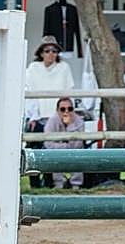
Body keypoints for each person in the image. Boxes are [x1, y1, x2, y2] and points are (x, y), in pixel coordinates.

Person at [24, 35, 77, 188]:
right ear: (41, 53)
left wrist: (64, 114)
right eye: (47, 51)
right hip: (39, 116)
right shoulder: (33, 68)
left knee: (52, 151)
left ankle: (52, 183)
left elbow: (68, 91)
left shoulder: (64, 67)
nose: (51, 54)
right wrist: (33, 116)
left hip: (57, 117)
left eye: (54, 51)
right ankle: (34, 183)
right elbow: (29, 92)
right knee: (34, 150)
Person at [42, 97, 85, 189]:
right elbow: (48, 144)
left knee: (78, 155)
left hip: (73, 152)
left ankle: (76, 185)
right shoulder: (51, 122)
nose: (66, 112)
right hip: (56, 152)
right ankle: (59, 184)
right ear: (57, 110)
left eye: (70, 109)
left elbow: (78, 144)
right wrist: (66, 146)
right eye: (62, 109)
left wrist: (70, 125)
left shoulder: (79, 122)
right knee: (56, 156)